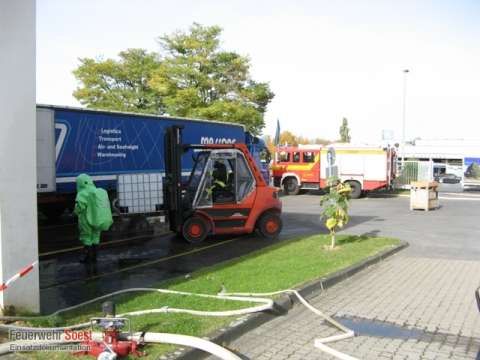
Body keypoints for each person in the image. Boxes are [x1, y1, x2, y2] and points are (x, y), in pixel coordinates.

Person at [74, 174, 110, 262]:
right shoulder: (97, 191)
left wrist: (75, 212)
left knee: (86, 237)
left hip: (86, 220)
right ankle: (94, 257)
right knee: (96, 236)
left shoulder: (82, 193)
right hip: (97, 219)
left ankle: (87, 257)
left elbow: (80, 207)